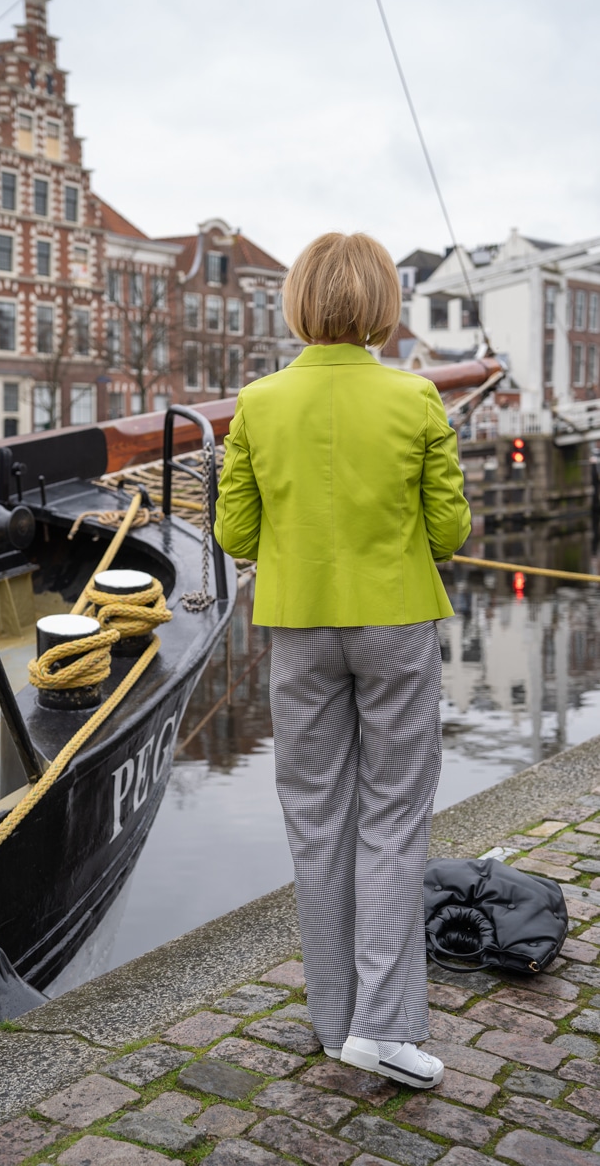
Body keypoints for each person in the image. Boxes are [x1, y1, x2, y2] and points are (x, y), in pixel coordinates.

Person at [214, 231, 470, 1089]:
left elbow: (234, 533)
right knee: (393, 818)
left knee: (316, 819)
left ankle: (334, 1022)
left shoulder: (257, 402)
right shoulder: (418, 398)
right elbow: (448, 533)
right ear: (383, 306)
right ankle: (385, 1027)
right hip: (394, 622)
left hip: (298, 628)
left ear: (298, 302)